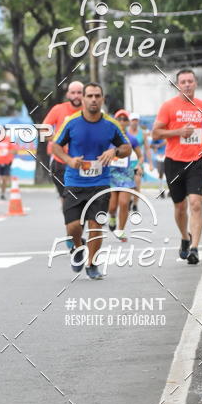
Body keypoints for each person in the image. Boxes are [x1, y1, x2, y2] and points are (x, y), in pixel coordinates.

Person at [52, 83, 131, 279]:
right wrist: (70, 160)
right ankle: (79, 249)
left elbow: (127, 147)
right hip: (74, 182)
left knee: (96, 225)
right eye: (90, 96)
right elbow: (55, 146)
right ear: (84, 99)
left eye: (97, 96)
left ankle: (92, 263)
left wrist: (114, 151)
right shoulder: (71, 122)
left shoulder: (111, 124)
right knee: (73, 227)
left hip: (100, 182)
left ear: (102, 99)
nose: (94, 99)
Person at [152, 68, 202, 264]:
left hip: (196, 162)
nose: (187, 85)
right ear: (177, 85)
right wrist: (178, 132)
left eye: (190, 81)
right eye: (183, 82)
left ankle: (194, 249)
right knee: (180, 207)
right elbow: (156, 134)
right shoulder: (168, 107)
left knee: (196, 204)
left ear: (195, 83)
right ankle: (185, 236)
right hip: (174, 162)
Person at [43, 80, 84, 248]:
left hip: (82, 163)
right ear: (68, 94)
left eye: (79, 92)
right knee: (67, 198)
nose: (76, 96)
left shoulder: (89, 111)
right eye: (73, 92)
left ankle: (74, 231)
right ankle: (71, 232)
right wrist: (57, 140)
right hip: (60, 163)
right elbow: (44, 129)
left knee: (81, 200)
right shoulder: (58, 109)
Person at [107, 110, 143, 242]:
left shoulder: (131, 139)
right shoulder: (108, 137)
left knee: (124, 203)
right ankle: (112, 217)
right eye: (119, 119)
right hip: (111, 176)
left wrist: (139, 165)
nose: (122, 121)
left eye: (124, 119)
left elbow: (140, 156)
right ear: (115, 121)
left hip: (126, 176)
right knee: (111, 207)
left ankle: (121, 230)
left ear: (127, 122)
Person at [127, 113, 152, 210]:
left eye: (136, 120)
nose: (134, 122)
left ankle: (135, 204)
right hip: (126, 163)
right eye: (133, 120)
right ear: (130, 121)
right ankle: (128, 200)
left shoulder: (143, 134)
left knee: (137, 183)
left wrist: (150, 163)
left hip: (138, 162)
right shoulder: (125, 133)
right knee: (128, 185)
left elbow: (147, 149)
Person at [0, 130, 17, 199]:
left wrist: (8, 151)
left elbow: (15, 151)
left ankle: (2, 194)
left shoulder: (9, 140)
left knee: (4, 179)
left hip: (6, 162)